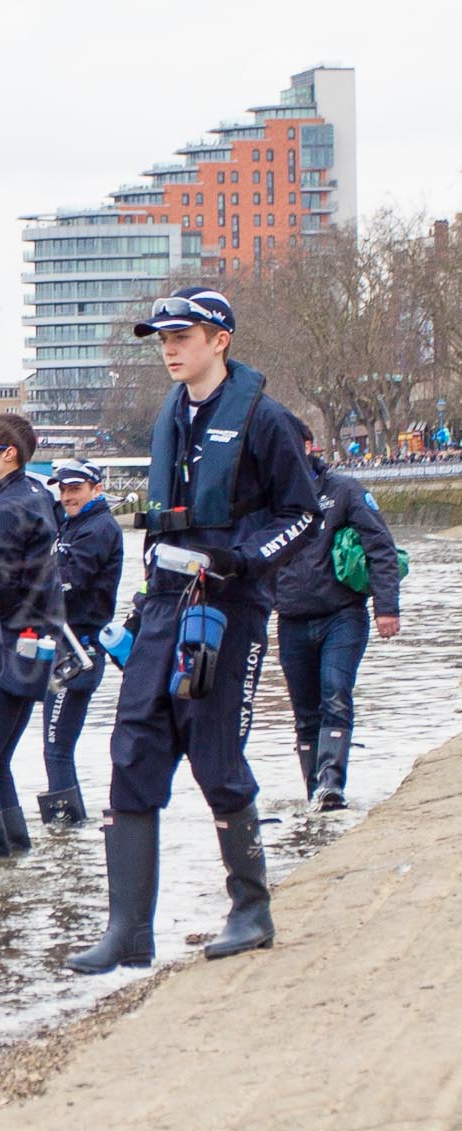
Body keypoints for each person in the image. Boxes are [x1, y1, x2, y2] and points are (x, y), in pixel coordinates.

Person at [68, 286, 319, 975]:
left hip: (227, 607)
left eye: (182, 337)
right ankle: (128, 930)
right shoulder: (170, 416)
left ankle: (251, 909)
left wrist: (245, 559)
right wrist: (142, 604)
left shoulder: (265, 419)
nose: (170, 349)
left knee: (215, 754)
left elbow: (303, 515)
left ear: (219, 340)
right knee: (132, 749)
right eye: (164, 339)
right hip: (161, 605)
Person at [0, 413, 65, 858]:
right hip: (36, 642)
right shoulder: (34, 493)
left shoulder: (4, 509)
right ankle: (16, 851)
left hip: (10, 644)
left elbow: (0, 586)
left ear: (9, 454)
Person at [272, 449, 403, 809]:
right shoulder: (269, 498)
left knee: (335, 693)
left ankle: (331, 785)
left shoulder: (344, 490)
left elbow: (381, 547)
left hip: (342, 615)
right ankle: (313, 792)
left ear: (307, 447)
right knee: (304, 712)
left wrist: (386, 608)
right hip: (291, 618)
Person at [39, 458, 124, 824]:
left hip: (81, 650)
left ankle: (67, 826)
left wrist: (29, 587)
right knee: (56, 749)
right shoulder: (72, 523)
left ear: (96, 489)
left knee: (56, 749)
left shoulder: (98, 528)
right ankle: (68, 837)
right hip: (66, 647)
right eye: (63, 489)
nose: (67, 496)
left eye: (75, 489)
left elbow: (71, 582)